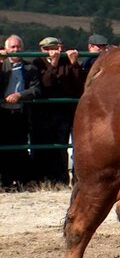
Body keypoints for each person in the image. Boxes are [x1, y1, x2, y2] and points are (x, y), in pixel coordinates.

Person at [32, 36, 86, 185]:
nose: (59, 51)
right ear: (44, 50)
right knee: (53, 148)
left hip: (69, 109)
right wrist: (53, 64)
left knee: (74, 146)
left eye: (60, 47)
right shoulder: (38, 62)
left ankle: (76, 179)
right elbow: (46, 84)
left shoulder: (67, 61)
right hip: (47, 112)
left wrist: (75, 64)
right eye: (55, 48)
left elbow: (79, 83)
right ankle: (56, 180)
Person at [1, 35, 41, 189]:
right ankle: (5, 181)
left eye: (18, 47)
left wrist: (19, 95)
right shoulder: (2, 66)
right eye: (12, 47)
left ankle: (21, 181)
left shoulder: (30, 68)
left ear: (23, 49)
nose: (15, 50)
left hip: (21, 113)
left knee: (21, 147)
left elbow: (36, 89)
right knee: (3, 148)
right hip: (2, 114)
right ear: (6, 49)